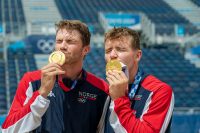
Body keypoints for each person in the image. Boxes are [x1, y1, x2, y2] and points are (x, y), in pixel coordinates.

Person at [2, 20, 110, 133]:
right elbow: (8, 129)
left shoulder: (102, 89)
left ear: (85, 50)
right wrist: (42, 92)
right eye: (59, 41)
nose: (62, 46)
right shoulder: (31, 80)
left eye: (70, 41)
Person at [104, 27, 174, 133]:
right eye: (108, 50)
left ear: (137, 56)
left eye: (120, 49)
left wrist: (119, 99)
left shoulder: (159, 90)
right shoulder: (103, 90)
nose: (112, 55)